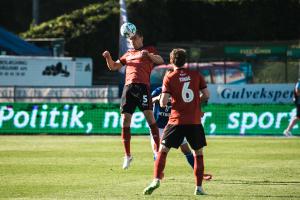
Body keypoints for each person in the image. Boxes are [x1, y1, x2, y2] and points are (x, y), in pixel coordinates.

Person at [143, 48, 210, 196]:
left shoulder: (169, 77)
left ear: (171, 61)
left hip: (176, 121)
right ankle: (199, 188)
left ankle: (156, 180)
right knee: (198, 153)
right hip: (194, 121)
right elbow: (206, 95)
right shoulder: (196, 75)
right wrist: (193, 103)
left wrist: (168, 99)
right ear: (185, 61)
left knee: (163, 150)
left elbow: (163, 102)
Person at [102, 30, 164, 169]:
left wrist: (148, 55)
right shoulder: (128, 54)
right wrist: (108, 57)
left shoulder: (149, 50)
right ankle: (128, 155)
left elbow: (160, 60)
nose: (132, 41)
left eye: (135, 38)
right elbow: (113, 66)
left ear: (141, 38)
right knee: (125, 120)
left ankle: (158, 151)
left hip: (142, 87)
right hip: (128, 88)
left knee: (150, 117)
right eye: (130, 39)